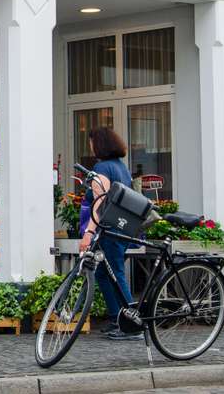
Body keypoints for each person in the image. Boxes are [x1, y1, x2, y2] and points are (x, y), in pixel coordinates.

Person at [78, 126, 138, 341]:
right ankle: (117, 318)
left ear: (99, 144)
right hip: (121, 227)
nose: (90, 146)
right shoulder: (121, 167)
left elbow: (99, 201)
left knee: (116, 273)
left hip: (109, 229)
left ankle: (132, 323)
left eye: (91, 142)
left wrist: (88, 233)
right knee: (104, 274)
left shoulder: (102, 167)